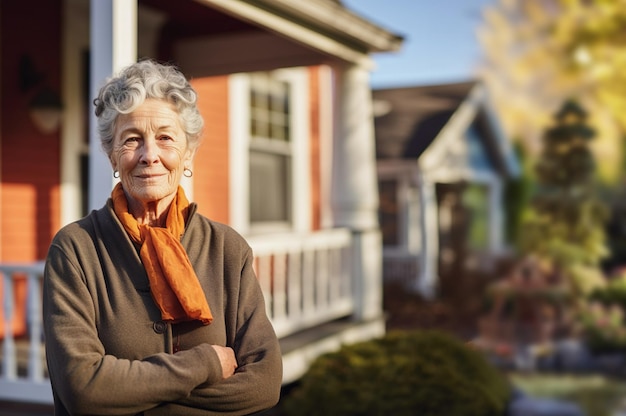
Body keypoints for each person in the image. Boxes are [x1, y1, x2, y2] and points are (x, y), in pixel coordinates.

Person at [43, 59, 283, 415]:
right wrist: (206, 365)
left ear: (188, 153)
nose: (149, 155)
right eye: (132, 140)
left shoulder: (227, 249)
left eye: (165, 138)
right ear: (112, 156)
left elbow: (264, 383)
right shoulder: (76, 249)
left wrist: (132, 393)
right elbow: (82, 389)